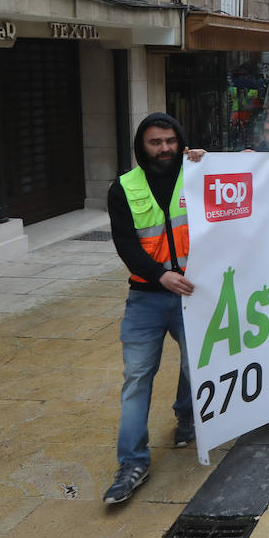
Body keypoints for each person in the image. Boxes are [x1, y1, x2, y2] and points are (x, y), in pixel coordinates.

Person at [102, 113, 194, 505]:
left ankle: (187, 417)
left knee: (198, 364)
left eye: (170, 141)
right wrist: (160, 275)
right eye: (155, 142)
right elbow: (126, 245)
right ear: (142, 146)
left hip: (193, 292)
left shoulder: (197, 173)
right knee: (137, 378)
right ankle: (132, 463)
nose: (164, 149)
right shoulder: (122, 188)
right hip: (146, 295)